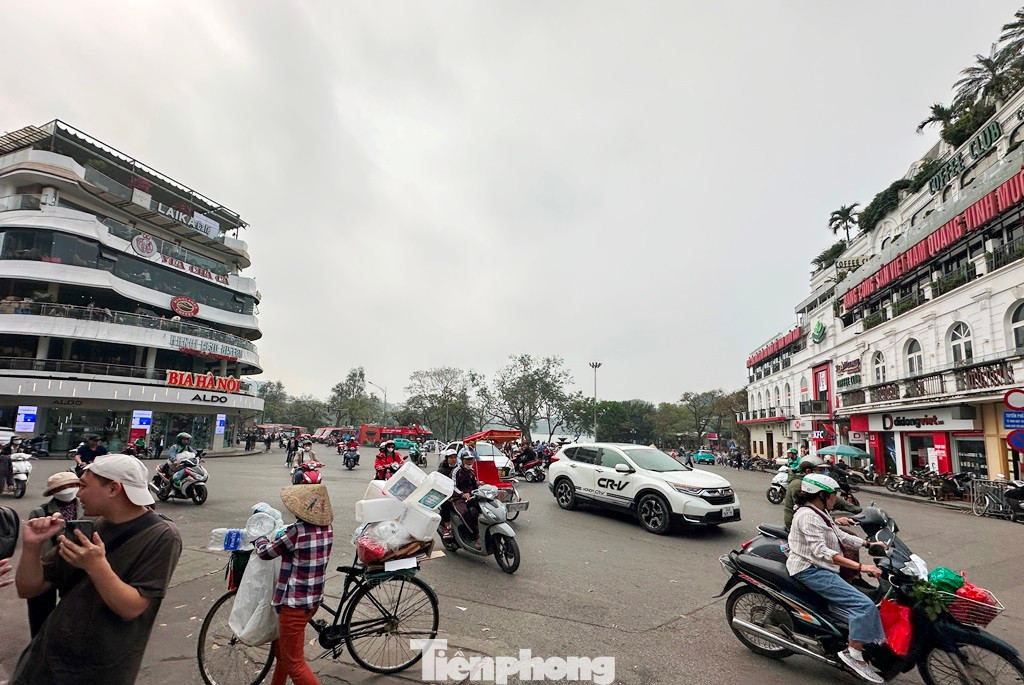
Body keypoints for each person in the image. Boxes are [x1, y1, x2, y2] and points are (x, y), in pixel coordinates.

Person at [12, 454, 182, 685]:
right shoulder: (88, 525)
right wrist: (32, 546)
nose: (78, 493)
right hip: (43, 660)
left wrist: (96, 566)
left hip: (100, 670)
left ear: (113, 488)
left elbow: (131, 607)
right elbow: (29, 588)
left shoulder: (161, 536)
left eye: (83, 485)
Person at [787, 473, 886, 682]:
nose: (836, 499)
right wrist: (861, 566)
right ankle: (853, 654)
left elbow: (841, 537)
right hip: (810, 569)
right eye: (833, 495)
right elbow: (822, 552)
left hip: (822, 567)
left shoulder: (820, 512)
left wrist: (869, 544)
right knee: (864, 606)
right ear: (821, 495)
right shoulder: (808, 516)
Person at [254, 484, 334, 685]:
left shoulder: (297, 532)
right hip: (312, 601)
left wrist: (259, 538)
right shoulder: (327, 529)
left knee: (295, 664)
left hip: (293, 605)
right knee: (283, 654)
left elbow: (266, 553)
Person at [25, 472, 84, 636]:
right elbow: (39, 546)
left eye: (71, 486)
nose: (67, 490)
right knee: (41, 613)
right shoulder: (40, 512)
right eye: (62, 488)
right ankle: (38, 645)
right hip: (48, 566)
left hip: (76, 566)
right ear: (53, 492)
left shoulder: (87, 508)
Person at [452, 451, 482, 547]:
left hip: (472, 496)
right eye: (467, 459)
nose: (469, 462)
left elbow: (474, 483)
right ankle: (476, 535)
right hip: (458, 498)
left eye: (471, 459)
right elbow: (452, 486)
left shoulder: (472, 471)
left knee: (485, 507)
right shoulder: (456, 471)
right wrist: (462, 494)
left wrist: (479, 484)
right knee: (465, 512)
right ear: (462, 460)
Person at [437, 449, 460, 535]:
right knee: (445, 504)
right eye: (451, 458)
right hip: (446, 494)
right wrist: (447, 496)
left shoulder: (459, 469)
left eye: (455, 457)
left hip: (458, 493)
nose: (453, 459)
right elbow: (439, 484)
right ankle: (447, 526)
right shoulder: (442, 470)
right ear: (447, 459)